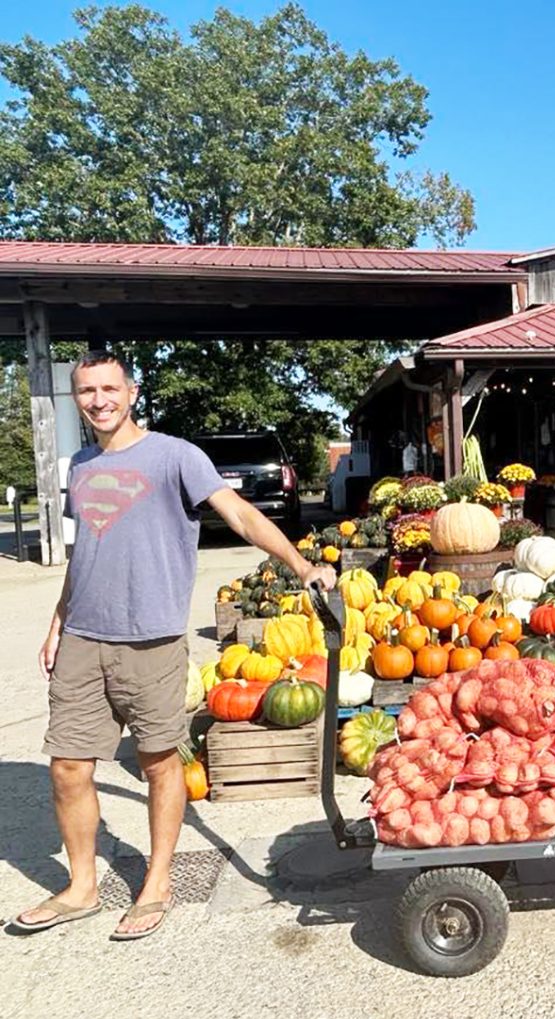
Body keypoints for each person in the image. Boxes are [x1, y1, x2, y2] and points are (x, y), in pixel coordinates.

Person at [15, 351, 335, 940]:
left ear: (131, 392)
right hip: (85, 636)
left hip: (152, 639)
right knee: (67, 766)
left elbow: (238, 514)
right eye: (87, 391)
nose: (99, 400)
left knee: (160, 762)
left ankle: (157, 881)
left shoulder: (175, 456)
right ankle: (82, 886)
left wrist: (300, 563)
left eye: (109, 388)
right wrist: (58, 621)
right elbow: (89, 549)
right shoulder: (81, 466)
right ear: (77, 398)